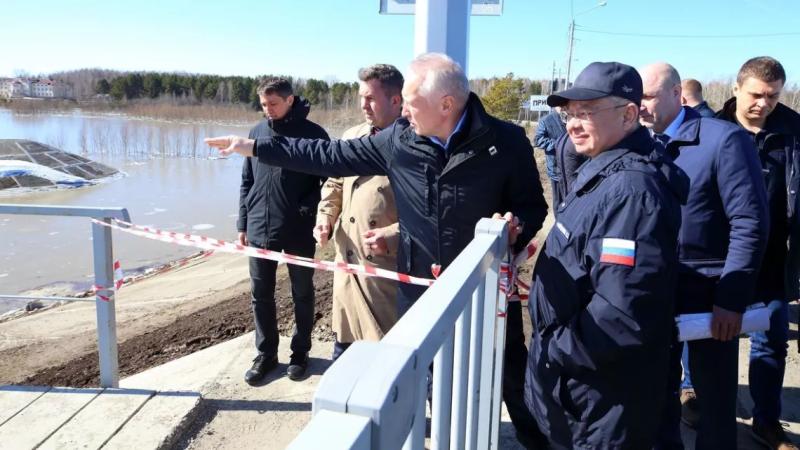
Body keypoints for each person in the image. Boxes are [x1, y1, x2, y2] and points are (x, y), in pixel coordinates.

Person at [208, 52, 550, 449]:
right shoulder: (400, 140)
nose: (402, 109)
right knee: (429, 382)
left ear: (446, 105)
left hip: (486, 295)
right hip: (419, 294)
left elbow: (532, 206)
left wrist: (515, 229)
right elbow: (327, 156)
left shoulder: (505, 142)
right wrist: (251, 147)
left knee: (508, 375)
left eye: (410, 100)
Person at [524, 61, 689, 449]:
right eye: (569, 114)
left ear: (629, 114)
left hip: (600, 399)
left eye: (587, 113)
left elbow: (619, 318)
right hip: (585, 390)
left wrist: (552, 346)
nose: (573, 124)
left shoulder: (632, 191)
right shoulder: (601, 170)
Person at [639, 62, 769, 450]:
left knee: (713, 397)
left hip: (709, 291)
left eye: (647, 96)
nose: (640, 106)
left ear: (676, 93)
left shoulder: (723, 141)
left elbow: (750, 222)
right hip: (655, 287)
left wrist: (731, 299)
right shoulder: (639, 141)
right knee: (658, 390)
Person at [716, 56, 800, 450]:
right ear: (737, 88)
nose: (763, 104)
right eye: (756, 95)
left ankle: (766, 421)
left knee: (772, 340)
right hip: (719, 258)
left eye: (772, 96)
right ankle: (698, 399)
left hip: (774, 259)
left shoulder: (793, 132)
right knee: (710, 336)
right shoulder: (713, 130)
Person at [238, 78, 329, 385]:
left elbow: (328, 185)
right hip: (259, 228)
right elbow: (247, 181)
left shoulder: (314, 135)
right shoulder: (257, 133)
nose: (268, 110)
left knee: (301, 293)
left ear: (290, 100)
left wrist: (306, 211)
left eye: (273, 104)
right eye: (263, 105)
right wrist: (242, 223)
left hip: (297, 230)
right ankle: (266, 355)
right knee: (260, 295)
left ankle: (300, 353)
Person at [314, 64, 403, 360]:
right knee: (343, 357)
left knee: (386, 363)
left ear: (396, 100)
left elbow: (430, 212)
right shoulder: (352, 135)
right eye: (360, 97)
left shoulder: (414, 143)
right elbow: (334, 182)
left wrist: (391, 236)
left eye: (370, 98)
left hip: (385, 272)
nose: (363, 105)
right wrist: (325, 217)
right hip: (347, 265)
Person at [534, 108, 567, 207]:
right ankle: (559, 221)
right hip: (556, 169)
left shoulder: (573, 115)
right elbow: (538, 140)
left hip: (575, 168)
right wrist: (559, 143)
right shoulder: (546, 120)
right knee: (559, 202)